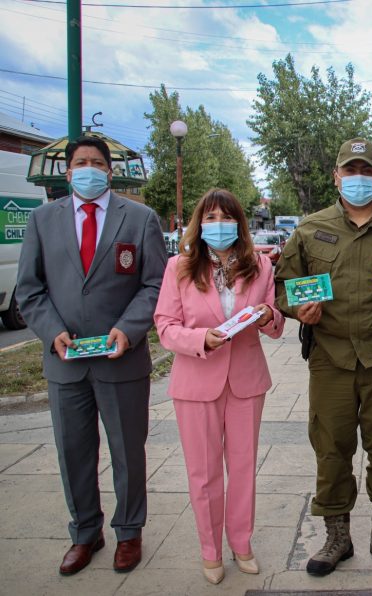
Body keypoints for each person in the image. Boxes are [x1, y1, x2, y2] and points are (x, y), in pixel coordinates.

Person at [274, 138, 372, 577]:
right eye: (350, 170)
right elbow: (283, 287)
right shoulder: (310, 229)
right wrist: (296, 307)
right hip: (330, 359)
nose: (358, 178)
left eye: (366, 171)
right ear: (337, 176)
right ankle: (336, 537)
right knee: (331, 448)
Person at [15, 135, 167, 575]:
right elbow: (30, 288)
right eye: (80, 162)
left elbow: (154, 284)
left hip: (121, 359)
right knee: (73, 451)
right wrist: (53, 331)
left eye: (97, 163)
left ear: (108, 170)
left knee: (127, 453)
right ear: (67, 172)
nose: (89, 169)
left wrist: (128, 328)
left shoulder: (139, 219)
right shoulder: (43, 220)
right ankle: (85, 533)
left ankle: (129, 531)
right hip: (64, 362)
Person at [154, 189, 284, 584]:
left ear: (240, 224)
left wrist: (268, 315)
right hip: (196, 382)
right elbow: (164, 326)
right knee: (203, 472)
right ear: (199, 224)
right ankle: (210, 551)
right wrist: (200, 340)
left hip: (246, 381)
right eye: (209, 217)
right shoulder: (179, 266)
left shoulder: (260, 266)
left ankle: (241, 543)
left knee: (243, 468)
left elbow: (276, 325)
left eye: (226, 217)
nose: (218, 225)